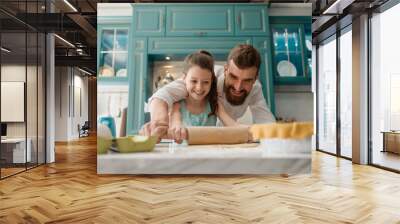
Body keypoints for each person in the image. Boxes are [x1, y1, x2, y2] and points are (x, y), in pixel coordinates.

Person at [141, 44, 276, 140]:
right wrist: (160, 123)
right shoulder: (206, 78)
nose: (238, 86)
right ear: (225, 70)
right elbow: (162, 96)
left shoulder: (256, 88)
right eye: (233, 77)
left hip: (228, 139)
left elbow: (268, 123)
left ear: (255, 78)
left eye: (247, 80)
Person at [168, 50, 240, 143]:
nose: (199, 88)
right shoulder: (177, 104)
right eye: (194, 81)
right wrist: (177, 130)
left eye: (206, 82)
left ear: (211, 82)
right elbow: (175, 125)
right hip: (184, 154)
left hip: (209, 153)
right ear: (184, 78)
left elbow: (233, 125)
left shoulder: (214, 104)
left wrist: (252, 130)